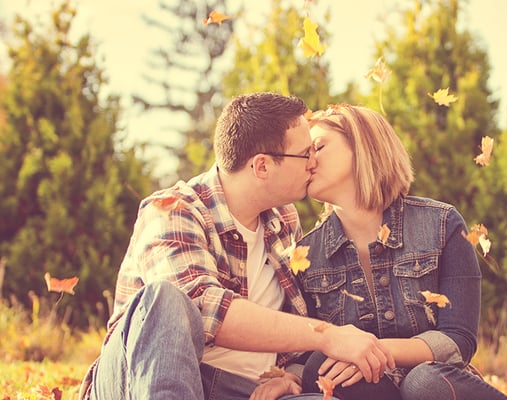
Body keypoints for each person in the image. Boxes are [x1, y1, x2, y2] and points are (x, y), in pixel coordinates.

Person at [78, 93, 395, 400]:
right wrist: (329, 335)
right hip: (140, 381)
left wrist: (291, 375)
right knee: (166, 298)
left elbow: (290, 329)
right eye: (305, 153)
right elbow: (203, 307)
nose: (314, 162)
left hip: (246, 391)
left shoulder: (284, 221)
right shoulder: (173, 210)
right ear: (262, 167)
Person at [296, 104, 507, 400]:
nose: (307, 162)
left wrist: (369, 352)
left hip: (439, 388)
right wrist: (288, 379)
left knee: (424, 382)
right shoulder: (306, 254)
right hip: (372, 392)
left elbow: (458, 339)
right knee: (322, 368)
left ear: (363, 146)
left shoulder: (441, 223)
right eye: (303, 153)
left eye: (317, 147)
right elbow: (303, 352)